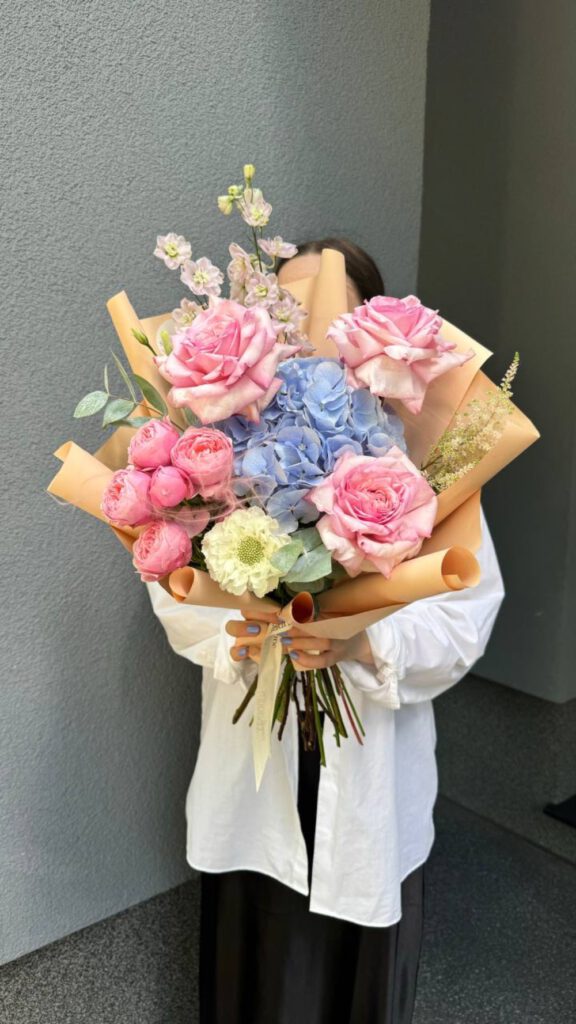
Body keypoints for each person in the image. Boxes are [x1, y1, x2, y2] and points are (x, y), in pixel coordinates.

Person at [145, 238, 506, 1024]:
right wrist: (235, 635)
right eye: (288, 307)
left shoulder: (428, 459)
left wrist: (367, 642)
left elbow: (466, 612)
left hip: (373, 763)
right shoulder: (221, 451)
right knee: (255, 968)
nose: (305, 326)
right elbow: (172, 582)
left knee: (357, 980)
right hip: (254, 763)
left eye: (327, 307)